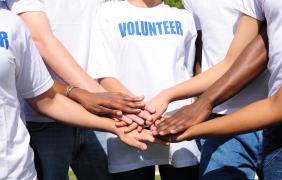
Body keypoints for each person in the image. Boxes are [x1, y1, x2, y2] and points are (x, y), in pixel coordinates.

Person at [0, 4, 161, 179]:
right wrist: (106, 103)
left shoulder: (10, 24)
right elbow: (40, 39)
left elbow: (46, 98)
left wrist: (118, 120)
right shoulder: (12, 20)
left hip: (97, 117)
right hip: (45, 122)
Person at [159, 0, 282, 179]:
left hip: (269, 112)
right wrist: (194, 103)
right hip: (276, 131)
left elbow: (278, 106)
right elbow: (255, 48)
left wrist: (196, 122)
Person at [88, 0, 200, 179]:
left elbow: (185, 74)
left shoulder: (184, 17)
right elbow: (103, 74)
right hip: (129, 126)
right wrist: (143, 113)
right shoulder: (107, 12)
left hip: (177, 127)